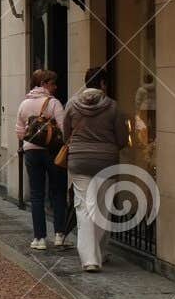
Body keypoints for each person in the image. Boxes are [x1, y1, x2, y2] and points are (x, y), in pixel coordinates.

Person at [65, 66, 127, 273]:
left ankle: (90, 258)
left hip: (79, 162)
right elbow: (121, 138)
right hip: (106, 162)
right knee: (102, 209)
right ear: (102, 84)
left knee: (83, 209)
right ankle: (97, 252)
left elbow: (66, 134)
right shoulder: (113, 107)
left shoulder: (72, 105)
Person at [15, 69, 69, 251]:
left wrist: (27, 142)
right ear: (45, 84)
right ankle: (60, 235)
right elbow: (64, 128)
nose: (55, 87)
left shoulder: (24, 104)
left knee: (37, 195)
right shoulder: (54, 103)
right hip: (52, 152)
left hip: (31, 152)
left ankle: (39, 238)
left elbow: (20, 131)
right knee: (58, 192)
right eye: (53, 83)